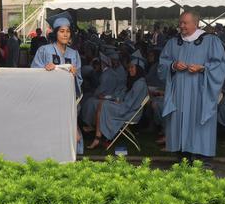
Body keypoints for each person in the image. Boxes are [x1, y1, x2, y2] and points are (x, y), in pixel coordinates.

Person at [158, 11, 225, 162]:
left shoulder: (210, 41)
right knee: (179, 121)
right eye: (180, 22)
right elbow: (162, 65)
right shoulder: (173, 43)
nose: (181, 26)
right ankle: (182, 158)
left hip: (200, 91)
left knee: (199, 122)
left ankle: (203, 160)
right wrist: (173, 65)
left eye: (185, 23)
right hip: (179, 93)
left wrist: (203, 68)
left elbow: (220, 66)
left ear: (196, 23)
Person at [31, 12, 84, 153]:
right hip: (49, 99)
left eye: (68, 31)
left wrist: (74, 74)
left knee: (69, 133)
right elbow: (33, 73)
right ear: (55, 33)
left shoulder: (74, 54)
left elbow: (79, 80)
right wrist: (44, 70)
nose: (65, 34)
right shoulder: (44, 50)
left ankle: (70, 157)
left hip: (67, 100)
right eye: (61, 31)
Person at [88, 51, 149, 149]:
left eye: (132, 67)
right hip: (127, 108)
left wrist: (118, 102)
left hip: (129, 112)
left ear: (139, 69)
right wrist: (116, 100)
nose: (129, 70)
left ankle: (98, 137)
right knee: (102, 104)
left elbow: (129, 104)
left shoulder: (140, 84)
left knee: (102, 105)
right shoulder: (137, 82)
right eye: (129, 67)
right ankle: (99, 136)